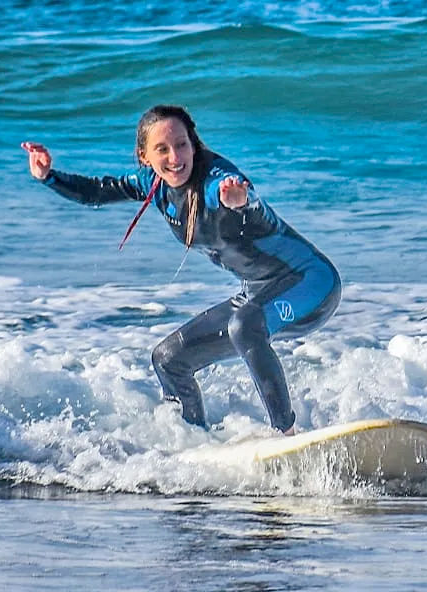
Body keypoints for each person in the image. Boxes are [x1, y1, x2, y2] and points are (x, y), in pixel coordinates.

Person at [22, 105, 341, 435]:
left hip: (311, 284)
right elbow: (97, 192)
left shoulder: (216, 181)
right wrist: (48, 177)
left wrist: (241, 201)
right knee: (169, 359)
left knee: (245, 324)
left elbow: (254, 206)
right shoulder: (152, 183)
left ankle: (285, 434)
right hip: (259, 295)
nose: (175, 157)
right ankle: (194, 440)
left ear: (194, 144)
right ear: (145, 156)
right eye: (162, 148)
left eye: (182, 144)